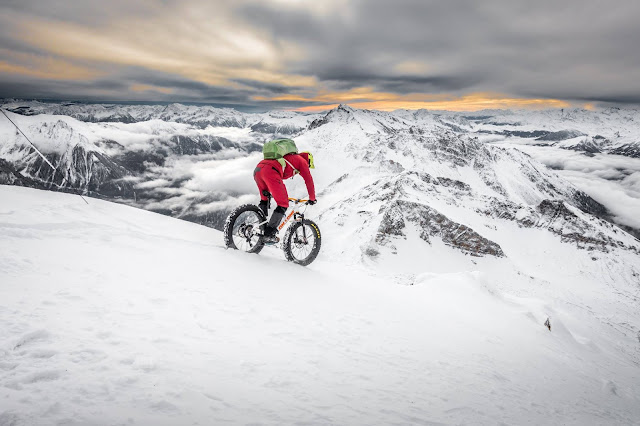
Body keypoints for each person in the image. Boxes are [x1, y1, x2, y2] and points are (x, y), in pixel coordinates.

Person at [253, 151, 316, 243]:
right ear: (309, 160)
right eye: (309, 165)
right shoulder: (302, 161)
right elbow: (309, 180)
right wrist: (312, 198)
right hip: (270, 171)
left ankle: (261, 226)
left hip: (258, 170)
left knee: (264, 199)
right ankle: (268, 234)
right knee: (283, 203)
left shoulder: (291, 157)